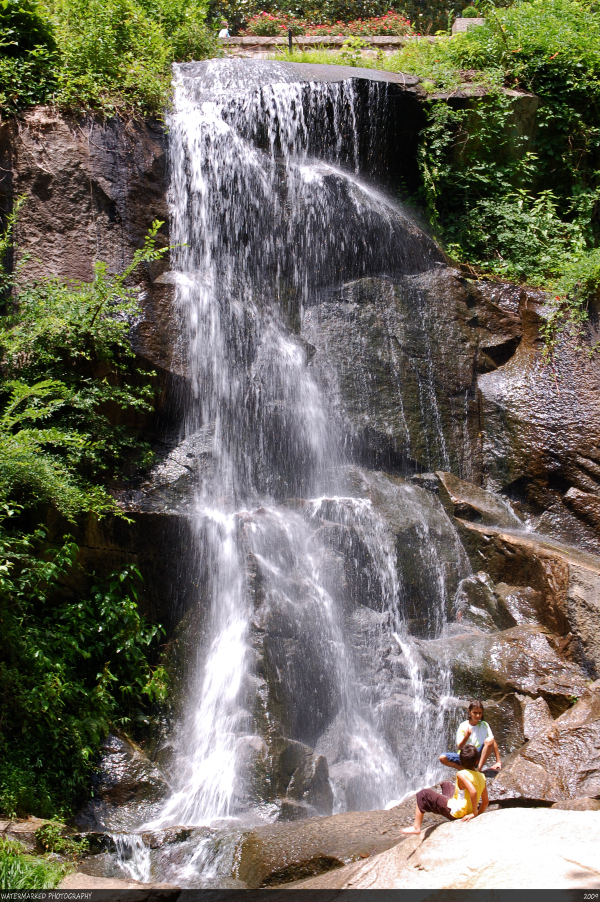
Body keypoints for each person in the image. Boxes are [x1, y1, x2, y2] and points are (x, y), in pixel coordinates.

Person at [402, 745, 489, 835]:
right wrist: (478, 813)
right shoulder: (482, 776)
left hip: (457, 812)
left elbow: (473, 792)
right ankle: (443, 800)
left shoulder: (461, 774)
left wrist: (474, 814)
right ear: (476, 761)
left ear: (461, 761)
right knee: (446, 784)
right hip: (466, 809)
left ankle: (416, 827)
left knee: (423, 793)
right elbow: (485, 801)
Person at [439, 700, 502, 773]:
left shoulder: (484, 725)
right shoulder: (463, 726)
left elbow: (493, 742)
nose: (478, 715)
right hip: (464, 756)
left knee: (490, 740)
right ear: (469, 712)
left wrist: (498, 761)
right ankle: (461, 768)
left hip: (477, 755)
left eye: (480, 713)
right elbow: (460, 747)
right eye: (475, 713)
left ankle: (478, 770)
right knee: (442, 757)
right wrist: (466, 737)